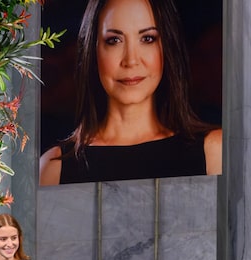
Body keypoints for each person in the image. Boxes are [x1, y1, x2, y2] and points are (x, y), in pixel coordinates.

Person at [39, 0, 222, 185]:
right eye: (114, 40)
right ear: (93, 52)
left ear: (166, 48)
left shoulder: (213, 151)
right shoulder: (54, 169)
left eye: (147, 38)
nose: (131, 60)